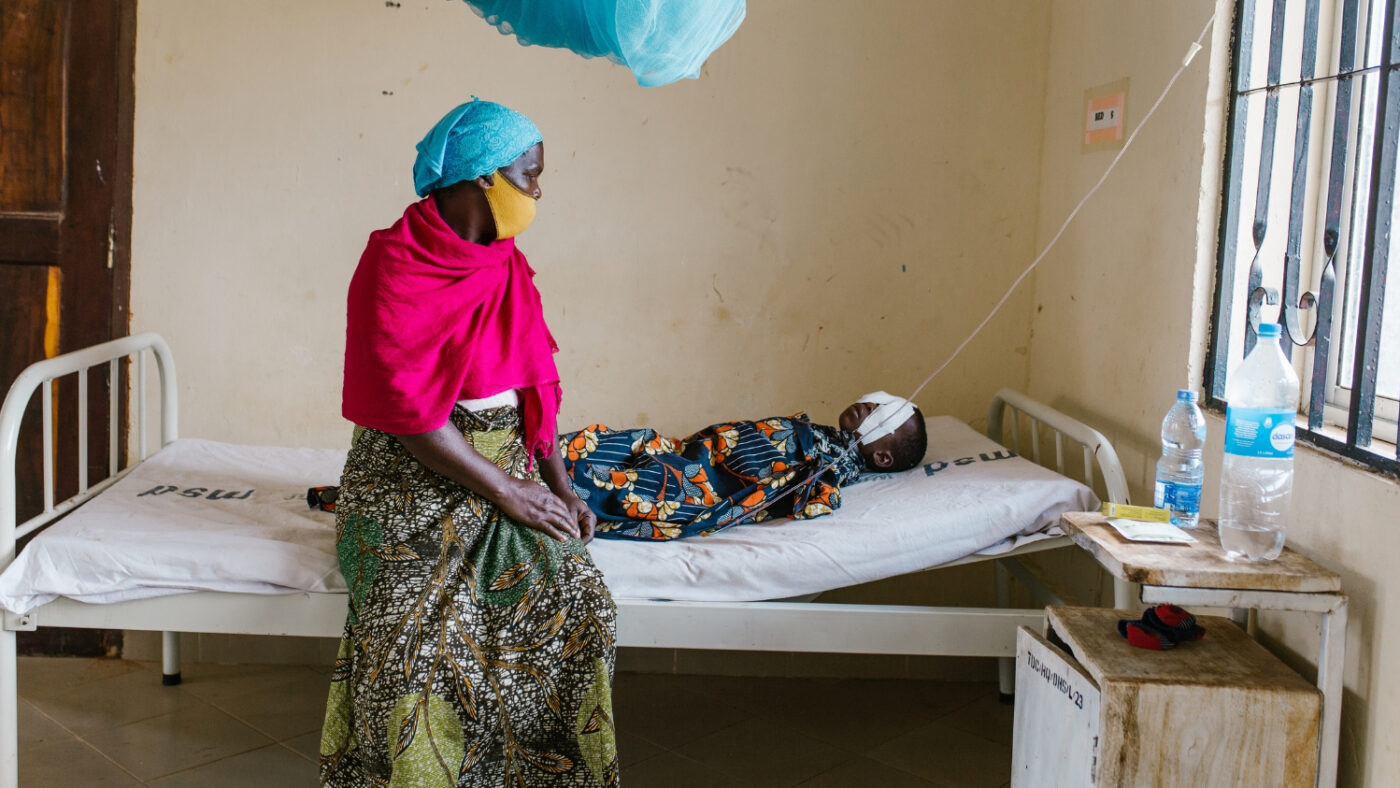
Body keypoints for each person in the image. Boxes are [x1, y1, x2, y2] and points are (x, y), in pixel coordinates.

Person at [319, 99, 618, 788]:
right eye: (531, 174)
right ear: (486, 177)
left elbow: (534, 387)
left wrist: (558, 490)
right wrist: (512, 492)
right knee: (416, 642)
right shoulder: (392, 265)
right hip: (406, 481)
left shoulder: (504, 264)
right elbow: (412, 417)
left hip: (507, 472)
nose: (538, 191)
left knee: (582, 608)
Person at [559, 392, 927, 540]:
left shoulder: (832, 464)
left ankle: (546, 488)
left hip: (699, 480)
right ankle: (527, 464)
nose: (870, 403)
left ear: (881, 458)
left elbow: (814, 499)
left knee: (622, 479)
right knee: (608, 442)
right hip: (683, 449)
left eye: (882, 414)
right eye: (874, 400)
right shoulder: (823, 434)